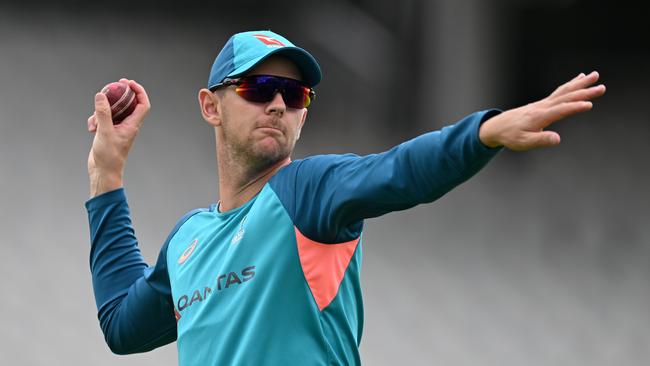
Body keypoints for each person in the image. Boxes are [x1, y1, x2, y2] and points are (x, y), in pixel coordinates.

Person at [85, 30, 605, 365]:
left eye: (295, 96)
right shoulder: (187, 242)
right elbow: (121, 326)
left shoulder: (306, 192)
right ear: (210, 106)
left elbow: (399, 170)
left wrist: (482, 132)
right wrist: (106, 174)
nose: (278, 104)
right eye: (259, 87)